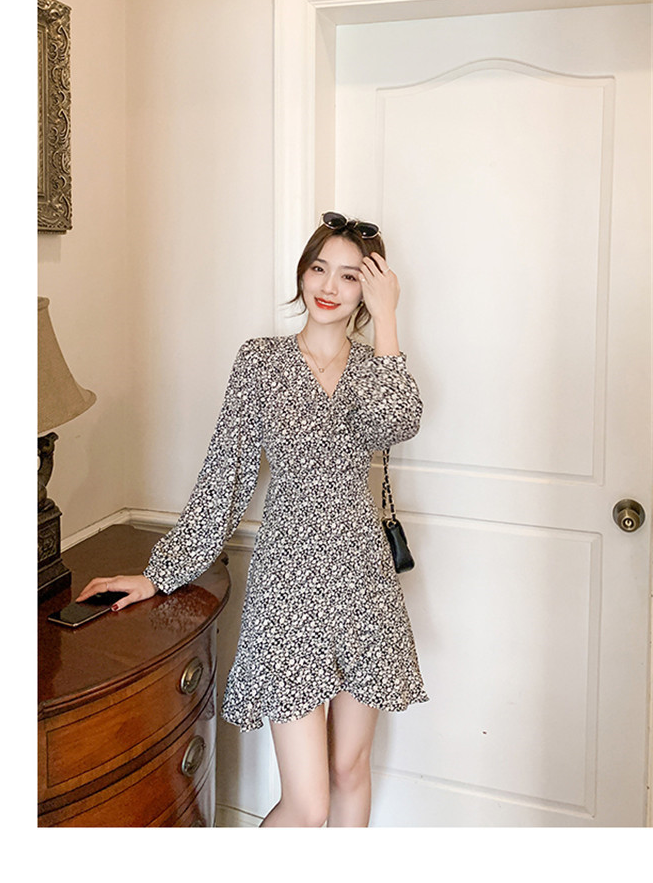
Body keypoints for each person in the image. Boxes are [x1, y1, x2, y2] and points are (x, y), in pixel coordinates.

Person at [77, 211, 428, 827]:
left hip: (364, 583)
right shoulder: (261, 362)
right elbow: (225, 477)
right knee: (307, 804)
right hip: (290, 585)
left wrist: (389, 317)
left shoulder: (377, 368)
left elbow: (398, 422)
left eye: (350, 276)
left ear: (369, 290)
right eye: (319, 267)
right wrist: (160, 574)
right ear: (302, 272)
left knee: (350, 769)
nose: (328, 286)